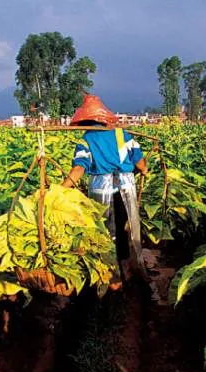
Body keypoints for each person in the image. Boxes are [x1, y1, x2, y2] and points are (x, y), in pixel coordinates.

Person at [62, 94, 148, 289]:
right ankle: (130, 266)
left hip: (101, 190)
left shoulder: (85, 141)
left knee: (105, 230)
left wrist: (58, 191)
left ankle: (111, 273)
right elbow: (140, 163)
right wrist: (144, 170)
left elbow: (78, 169)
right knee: (128, 226)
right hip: (126, 186)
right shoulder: (123, 135)